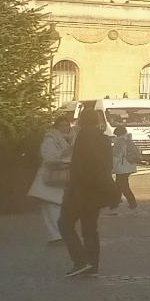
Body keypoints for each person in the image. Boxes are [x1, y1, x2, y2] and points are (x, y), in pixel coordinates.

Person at [60, 107, 113, 277]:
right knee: (90, 228)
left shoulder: (83, 137)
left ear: (82, 120)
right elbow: (107, 166)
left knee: (65, 224)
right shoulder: (103, 139)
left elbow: (80, 166)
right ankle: (92, 265)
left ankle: (81, 261)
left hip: (80, 190)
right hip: (97, 191)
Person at [28, 111, 72, 244]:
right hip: (50, 177)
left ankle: (60, 234)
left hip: (64, 177)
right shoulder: (50, 139)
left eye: (66, 125)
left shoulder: (72, 137)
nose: (65, 127)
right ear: (56, 126)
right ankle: (55, 235)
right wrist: (66, 159)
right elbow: (49, 157)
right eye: (62, 125)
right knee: (51, 206)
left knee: (61, 206)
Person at [107, 120, 139, 212]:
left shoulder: (119, 142)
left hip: (122, 167)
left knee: (122, 186)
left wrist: (112, 167)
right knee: (121, 185)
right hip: (129, 165)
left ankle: (128, 203)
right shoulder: (129, 140)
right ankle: (116, 203)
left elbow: (116, 156)